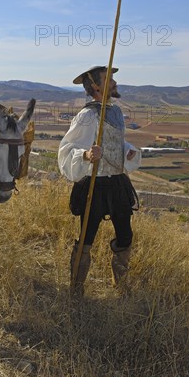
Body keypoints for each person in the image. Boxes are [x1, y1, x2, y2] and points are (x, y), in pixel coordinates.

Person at [58, 66, 141, 295]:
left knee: (126, 235)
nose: (114, 82)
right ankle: (76, 289)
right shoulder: (87, 115)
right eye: (109, 79)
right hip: (94, 185)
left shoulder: (114, 111)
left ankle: (120, 285)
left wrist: (128, 152)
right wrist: (85, 156)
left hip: (116, 184)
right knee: (86, 238)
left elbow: (114, 143)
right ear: (95, 86)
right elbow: (67, 149)